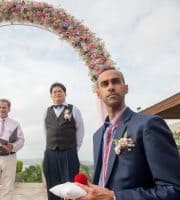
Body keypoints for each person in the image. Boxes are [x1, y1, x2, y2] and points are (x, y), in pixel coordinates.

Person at [77, 68, 180, 200]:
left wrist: (114, 197)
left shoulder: (149, 125)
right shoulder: (97, 136)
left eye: (115, 82)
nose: (111, 87)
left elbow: (173, 190)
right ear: (98, 94)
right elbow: (102, 181)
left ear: (126, 88)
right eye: (105, 84)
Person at [43, 82, 85, 200]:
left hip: (69, 152)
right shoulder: (47, 111)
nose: (57, 93)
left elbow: (80, 130)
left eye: (59, 91)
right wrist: (50, 146)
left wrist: (74, 149)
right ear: (51, 96)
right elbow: (45, 131)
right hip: (50, 152)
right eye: (54, 92)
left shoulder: (73, 109)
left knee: (71, 186)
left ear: (65, 93)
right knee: (52, 184)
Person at [0, 98, 25, 200]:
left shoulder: (15, 124)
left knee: (8, 187)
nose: (1, 109)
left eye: (4, 107)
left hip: (9, 156)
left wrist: (13, 146)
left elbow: (21, 140)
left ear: (9, 109)